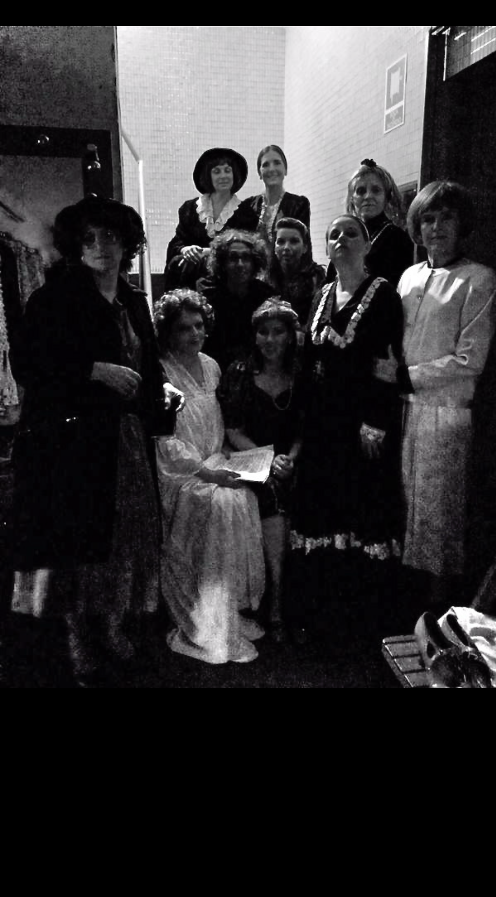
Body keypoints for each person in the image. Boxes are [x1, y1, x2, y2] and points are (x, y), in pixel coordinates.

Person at [8, 194, 183, 687]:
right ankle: (77, 637)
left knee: (125, 539)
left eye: (109, 235)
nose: (99, 245)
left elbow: (147, 364)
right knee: (77, 543)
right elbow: (28, 365)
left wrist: (163, 390)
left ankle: (110, 624)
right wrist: (91, 370)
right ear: (75, 247)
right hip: (72, 443)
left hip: (125, 439)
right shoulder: (54, 299)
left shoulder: (134, 300)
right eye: (88, 238)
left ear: (126, 243)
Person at [375, 181, 496, 612]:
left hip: (445, 414)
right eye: (428, 218)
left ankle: (435, 613)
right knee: (402, 509)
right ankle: (401, 606)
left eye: (447, 218)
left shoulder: (478, 278)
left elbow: (470, 359)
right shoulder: (409, 276)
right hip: (401, 411)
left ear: (462, 225)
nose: (436, 227)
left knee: (438, 516)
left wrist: (407, 377)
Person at [290, 214, 404, 633]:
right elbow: (310, 360)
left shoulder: (384, 294)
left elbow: (388, 362)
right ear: (326, 247)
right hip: (323, 423)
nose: (342, 239)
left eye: (351, 233)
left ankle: (359, 615)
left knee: (361, 505)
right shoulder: (321, 294)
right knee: (324, 505)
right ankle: (322, 610)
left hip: (360, 424)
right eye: (334, 235)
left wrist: (375, 420)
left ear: (367, 245)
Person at [154, 289, 265, 665]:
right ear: (168, 331)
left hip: (215, 460)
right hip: (181, 471)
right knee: (219, 507)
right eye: (184, 328)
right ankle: (205, 625)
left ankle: (226, 611)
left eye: (199, 325)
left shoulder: (213, 365)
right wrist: (207, 472)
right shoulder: (162, 373)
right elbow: (165, 441)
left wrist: (232, 459)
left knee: (242, 497)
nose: (195, 333)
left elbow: (217, 422)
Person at [218, 298, 304, 641]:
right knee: (272, 493)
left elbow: (302, 430)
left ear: (290, 336)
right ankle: (276, 601)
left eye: (277, 332)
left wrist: (290, 458)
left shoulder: (299, 373)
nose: (270, 339)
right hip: (247, 456)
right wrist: (268, 460)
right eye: (263, 332)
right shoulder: (241, 372)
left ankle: (297, 596)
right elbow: (233, 430)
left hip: (288, 460)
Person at [163, 147, 252, 290]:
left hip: (226, 279)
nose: (223, 176)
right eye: (216, 171)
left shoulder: (246, 212)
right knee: (179, 262)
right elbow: (178, 241)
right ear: (208, 176)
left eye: (227, 170)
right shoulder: (190, 208)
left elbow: (247, 249)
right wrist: (186, 249)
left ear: (234, 174)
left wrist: (207, 252)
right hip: (190, 274)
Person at [327, 158, 413, 287]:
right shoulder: (341, 236)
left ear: (386, 197)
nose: (368, 196)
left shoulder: (399, 240)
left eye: (376, 190)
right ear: (352, 199)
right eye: (361, 191)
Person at [197, 229, 274, 371]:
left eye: (246, 258)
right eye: (233, 258)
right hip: (214, 367)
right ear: (222, 263)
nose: (240, 264)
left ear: (255, 262)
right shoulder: (207, 293)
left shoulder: (265, 295)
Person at [239, 145, 311, 250]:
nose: (271, 169)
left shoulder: (299, 204)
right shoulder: (248, 206)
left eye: (277, 163)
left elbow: (304, 247)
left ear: (285, 169)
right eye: (265, 165)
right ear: (259, 173)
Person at [269, 216, 326, 326]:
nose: (286, 247)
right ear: (274, 247)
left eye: (294, 241)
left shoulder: (316, 279)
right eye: (281, 242)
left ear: (305, 248)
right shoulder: (266, 278)